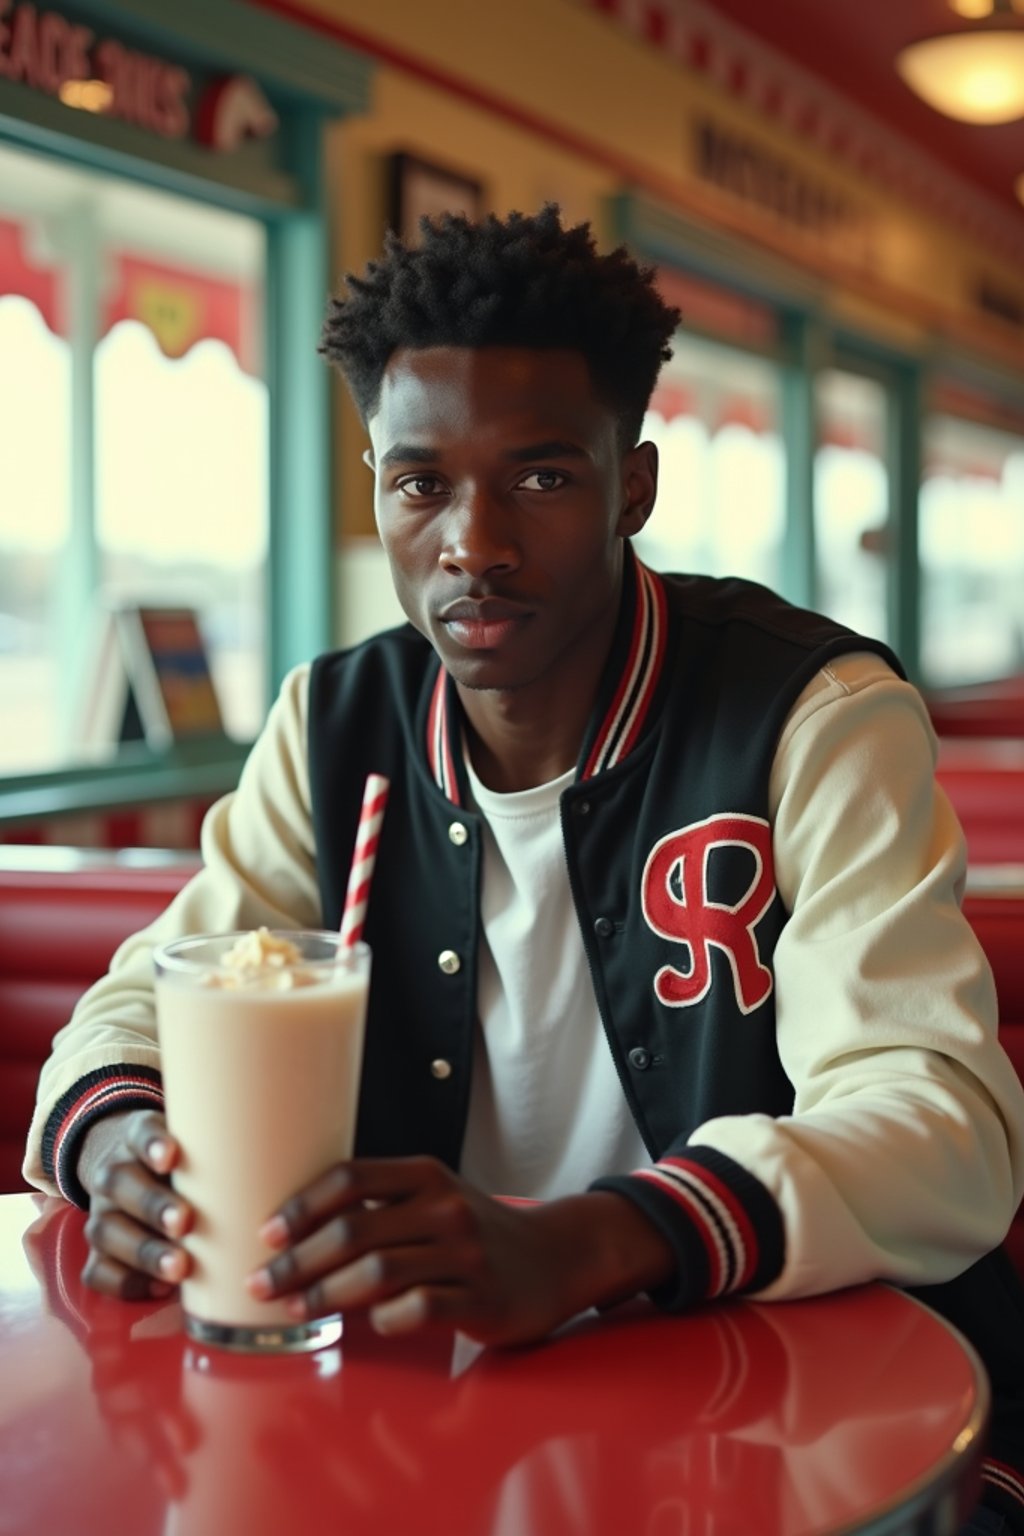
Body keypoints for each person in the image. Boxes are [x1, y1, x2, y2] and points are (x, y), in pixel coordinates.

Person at [24, 206, 1024, 1533]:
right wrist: (121, 1143)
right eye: (420, 483)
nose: (473, 544)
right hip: (441, 1416)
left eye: (542, 478)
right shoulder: (334, 726)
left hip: (810, 1416)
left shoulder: (813, 712)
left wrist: (592, 1239)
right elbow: (150, 992)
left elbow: (944, 1127)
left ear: (633, 485)